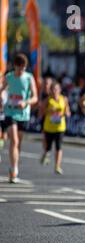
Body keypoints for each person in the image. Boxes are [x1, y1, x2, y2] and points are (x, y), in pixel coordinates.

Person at [0, 54, 38, 183]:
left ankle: (14, 164)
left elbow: (35, 97)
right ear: (14, 66)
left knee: (18, 144)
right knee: (14, 141)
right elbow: (1, 90)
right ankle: (13, 169)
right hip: (10, 112)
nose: (21, 71)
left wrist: (26, 102)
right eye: (19, 68)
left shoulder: (29, 78)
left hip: (23, 114)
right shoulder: (9, 77)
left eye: (23, 68)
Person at [39, 81, 71, 174]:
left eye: (56, 89)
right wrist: (49, 111)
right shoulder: (48, 100)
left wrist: (64, 114)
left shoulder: (64, 99)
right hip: (49, 126)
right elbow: (41, 111)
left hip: (60, 127)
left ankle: (57, 166)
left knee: (58, 147)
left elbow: (68, 112)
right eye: (53, 89)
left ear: (60, 90)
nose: (54, 91)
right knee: (48, 147)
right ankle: (46, 153)